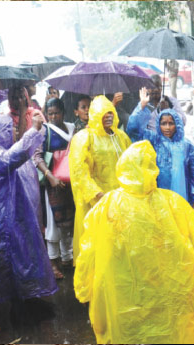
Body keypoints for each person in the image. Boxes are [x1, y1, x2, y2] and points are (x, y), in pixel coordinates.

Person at [73, 140, 194, 344]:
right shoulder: (172, 203)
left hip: (123, 292)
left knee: (128, 333)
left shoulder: (107, 205)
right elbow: (193, 250)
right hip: (163, 290)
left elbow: (88, 251)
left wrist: (83, 288)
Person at [0, 112, 57, 304]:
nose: (12, 131)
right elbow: (12, 158)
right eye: (8, 128)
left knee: (18, 256)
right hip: (0, 221)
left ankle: (22, 297)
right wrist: (33, 131)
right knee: (6, 258)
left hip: (7, 217)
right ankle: (15, 304)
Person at [69, 95, 132, 262]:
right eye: (104, 113)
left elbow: (131, 163)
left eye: (111, 112)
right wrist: (98, 195)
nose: (109, 116)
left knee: (120, 244)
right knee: (98, 245)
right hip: (96, 202)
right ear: (96, 115)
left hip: (120, 199)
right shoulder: (84, 138)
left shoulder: (121, 136)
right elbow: (79, 172)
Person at [127, 87, 194, 211]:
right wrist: (141, 107)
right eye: (163, 123)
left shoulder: (186, 146)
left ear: (177, 124)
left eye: (171, 123)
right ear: (159, 124)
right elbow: (133, 131)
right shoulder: (154, 140)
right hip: (158, 196)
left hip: (181, 196)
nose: (167, 127)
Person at [33, 98, 75, 279]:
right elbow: (36, 156)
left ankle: (67, 257)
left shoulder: (72, 129)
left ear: (63, 112)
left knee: (69, 221)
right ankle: (53, 262)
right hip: (53, 183)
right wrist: (50, 177)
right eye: (50, 113)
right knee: (53, 223)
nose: (53, 116)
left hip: (71, 182)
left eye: (56, 113)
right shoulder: (44, 130)